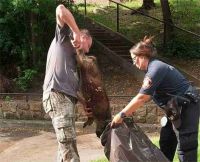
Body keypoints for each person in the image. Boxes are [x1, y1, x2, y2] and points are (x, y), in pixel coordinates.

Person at [111, 36, 200, 162]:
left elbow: (142, 97)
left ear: (142, 56)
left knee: (186, 147)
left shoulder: (156, 68)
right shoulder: (152, 69)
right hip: (173, 108)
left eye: (134, 59)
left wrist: (122, 114)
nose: (134, 63)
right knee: (166, 142)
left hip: (186, 106)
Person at [42, 4, 92, 162]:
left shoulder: (73, 63)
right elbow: (60, 9)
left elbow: (74, 88)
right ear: (82, 38)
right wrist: (76, 32)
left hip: (66, 98)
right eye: (88, 46)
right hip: (57, 95)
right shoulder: (63, 37)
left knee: (65, 145)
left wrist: (83, 103)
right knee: (68, 145)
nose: (87, 51)